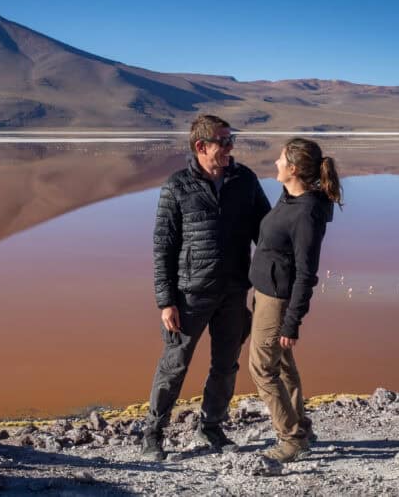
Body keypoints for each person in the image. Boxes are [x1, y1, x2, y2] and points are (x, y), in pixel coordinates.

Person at [142, 114, 271, 461]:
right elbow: (163, 247)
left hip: (233, 292)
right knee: (174, 365)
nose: (231, 147)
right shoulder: (177, 185)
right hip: (189, 296)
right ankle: (153, 433)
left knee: (226, 365)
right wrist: (165, 301)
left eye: (232, 140)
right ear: (201, 146)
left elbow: (266, 231)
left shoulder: (244, 180)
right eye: (224, 141)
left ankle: (211, 426)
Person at [247, 137, 342, 462]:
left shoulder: (306, 215)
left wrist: (292, 321)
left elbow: (306, 273)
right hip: (265, 294)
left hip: (278, 299)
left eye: (280, 159)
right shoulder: (290, 197)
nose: (275, 163)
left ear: (294, 169)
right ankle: (301, 425)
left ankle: (291, 438)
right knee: (282, 365)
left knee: (262, 368)